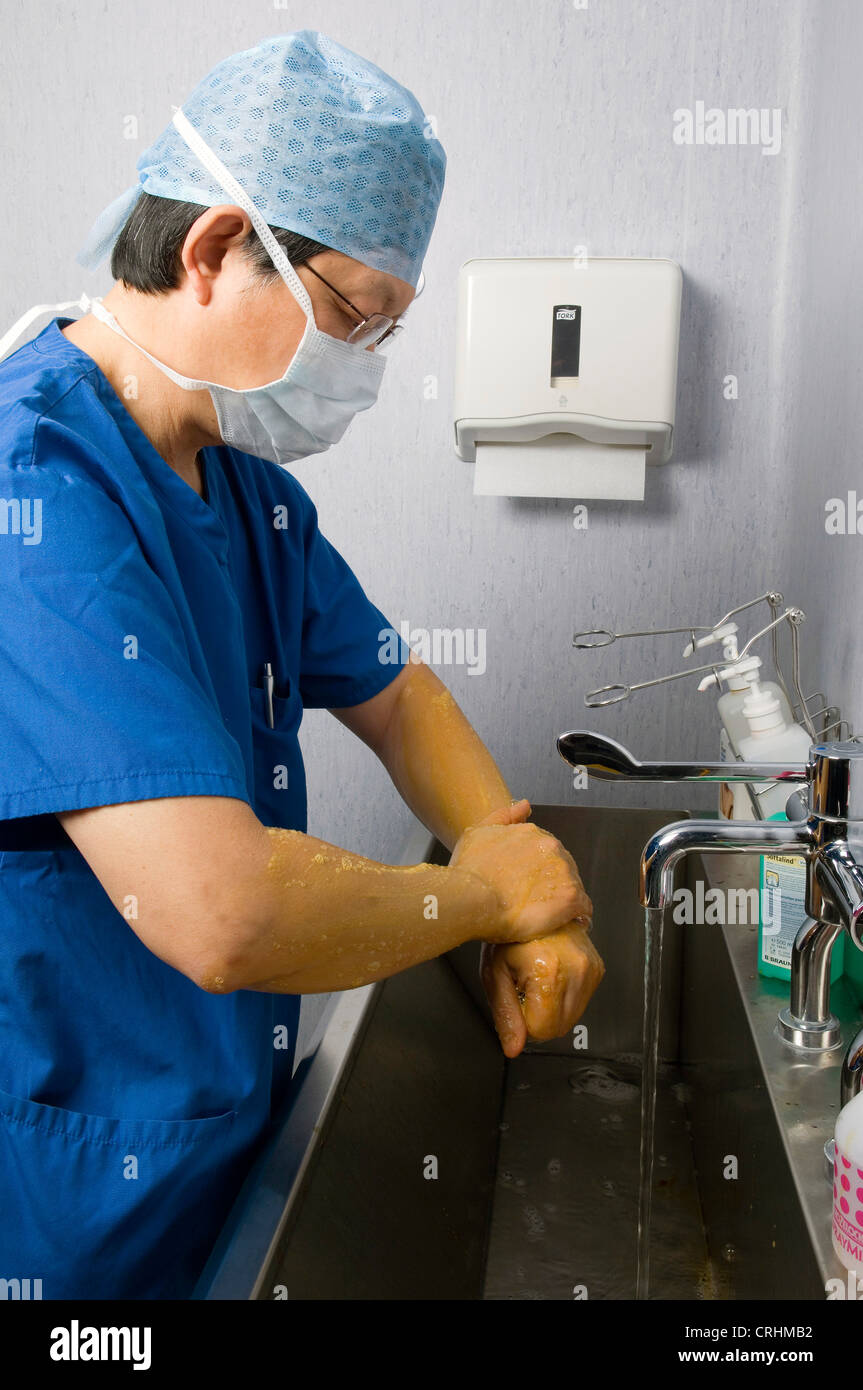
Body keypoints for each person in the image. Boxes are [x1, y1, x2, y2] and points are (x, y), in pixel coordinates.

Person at [0, 30, 603, 1299]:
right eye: (352, 321)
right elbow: (223, 910)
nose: (362, 374)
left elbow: (397, 696)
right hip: (63, 1212)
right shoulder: (35, 491)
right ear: (217, 249)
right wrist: (492, 900)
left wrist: (505, 848)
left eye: (385, 336)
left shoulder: (240, 484)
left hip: (214, 1153)